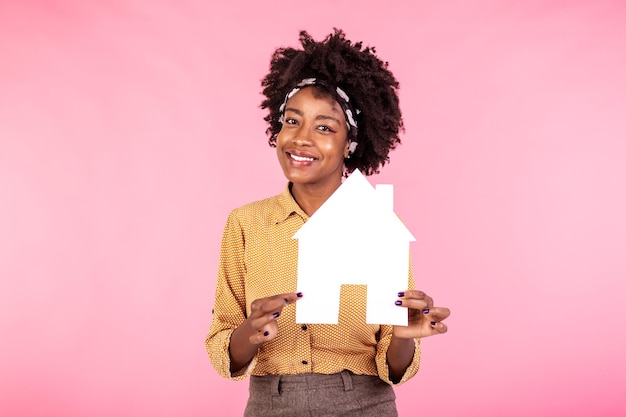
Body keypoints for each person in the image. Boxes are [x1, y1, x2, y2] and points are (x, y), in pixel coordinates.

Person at [206, 29, 450, 416]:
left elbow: (395, 363)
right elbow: (224, 345)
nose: (301, 139)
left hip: (363, 404)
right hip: (270, 405)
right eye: (292, 121)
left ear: (350, 143)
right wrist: (248, 332)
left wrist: (403, 336)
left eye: (324, 127)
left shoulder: (377, 223)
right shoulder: (246, 224)